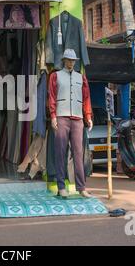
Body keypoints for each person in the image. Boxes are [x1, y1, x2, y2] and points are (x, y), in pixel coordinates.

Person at [48, 49, 93, 198]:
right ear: (64, 60)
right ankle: (61, 186)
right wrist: (53, 116)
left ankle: (81, 187)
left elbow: (86, 99)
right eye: (68, 60)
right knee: (60, 152)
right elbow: (52, 97)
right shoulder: (55, 76)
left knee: (78, 153)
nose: (71, 62)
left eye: (73, 60)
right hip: (62, 117)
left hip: (77, 119)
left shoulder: (81, 78)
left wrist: (88, 116)